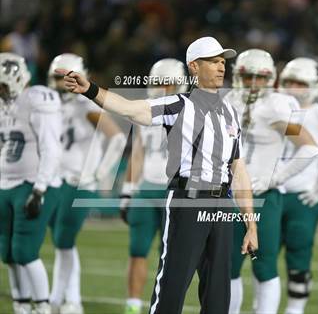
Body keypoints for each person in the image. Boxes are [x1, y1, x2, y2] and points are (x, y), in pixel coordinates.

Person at [55, 36, 258, 314]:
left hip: (222, 203)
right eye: (213, 61)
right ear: (194, 67)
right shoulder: (178, 105)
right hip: (188, 198)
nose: (221, 67)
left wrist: (250, 223)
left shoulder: (231, 113)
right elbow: (130, 109)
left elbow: (239, 169)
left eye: (223, 61)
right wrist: (90, 89)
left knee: (218, 295)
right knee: (172, 287)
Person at [225, 49, 318, 314]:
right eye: (248, 76)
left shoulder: (278, 105)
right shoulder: (227, 100)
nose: (254, 83)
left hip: (265, 195)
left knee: (264, 264)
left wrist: (275, 178)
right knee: (228, 264)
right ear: (238, 76)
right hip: (229, 194)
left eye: (261, 77)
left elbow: (310, 148)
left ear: (271, 78)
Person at [47, 53, 126, 314]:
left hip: (77, 182)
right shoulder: (50, 104)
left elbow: (116, 138)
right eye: (58, 78)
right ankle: (59, 299)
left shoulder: (86, 106)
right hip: (53, 181)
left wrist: (99, 172)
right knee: (60, 243)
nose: (61, 83)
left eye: (67, 78)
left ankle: (70, 300)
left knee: (65, 241)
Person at [119, 58, 187, 314]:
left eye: (168, 83)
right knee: (137, 249)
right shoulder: (144, 110)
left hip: (176, 190)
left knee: (172, 256)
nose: (162, 88)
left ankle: (167, 305)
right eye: (158, 82)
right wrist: (127, 193)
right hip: (146, 190)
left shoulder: (189, 110)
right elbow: (137, 154)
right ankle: (133, 304)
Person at [278, 57, 318, 314]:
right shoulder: (271, 107)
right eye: (288, 81)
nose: (293, 87)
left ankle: (295, 309)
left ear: (314, 85)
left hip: (303, 195)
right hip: (271, 193)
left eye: (299, 82)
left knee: (299, 255)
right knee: (264, 259)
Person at [0, 52, 62, 314]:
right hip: (4, 184)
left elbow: (51, 147)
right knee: (7, 254)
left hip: (30, 184)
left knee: (25, 251)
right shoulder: (3, 105)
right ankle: (21, 305)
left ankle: (43, 307)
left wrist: (39, 189)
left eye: (2, 84)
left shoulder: (36, 99)